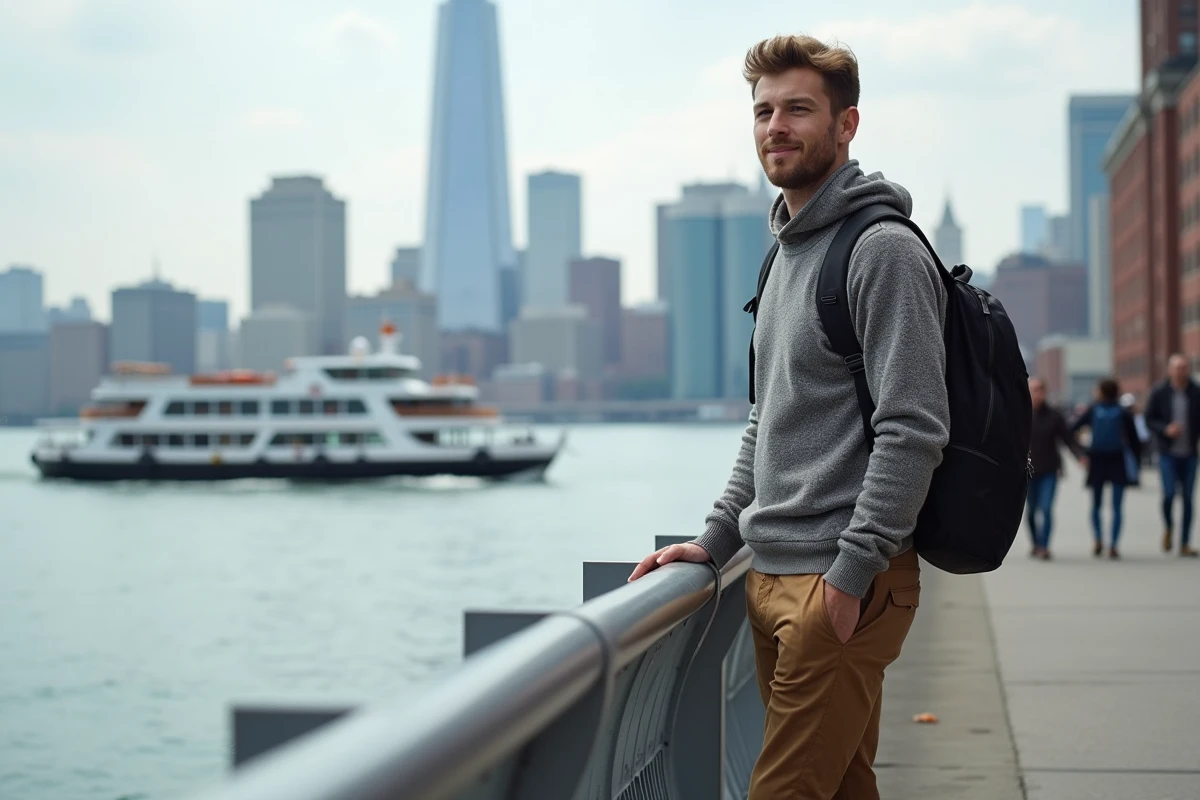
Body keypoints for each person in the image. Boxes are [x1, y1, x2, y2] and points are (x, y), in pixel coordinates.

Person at [628, 35, 949, 799]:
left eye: (798, 109)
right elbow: (764, 424)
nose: (776, 125)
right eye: (764, 110)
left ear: (847, 125)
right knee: (840, 789)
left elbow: (914, 427)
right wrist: (712, 541)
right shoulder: (784, 255)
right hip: (769, 576)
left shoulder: (880, 251)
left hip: (838, 581)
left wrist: (853, 571)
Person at [1071, 378, 1142, 559]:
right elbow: (1135, 441)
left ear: (1101, 392)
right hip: (1117, 459)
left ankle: (1097, 539)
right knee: (1117, 506)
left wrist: (1084, 450)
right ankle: (1114, 545)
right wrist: (1137, 465)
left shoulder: (1094, 409)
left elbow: (1072, 428)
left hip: (1097, 459)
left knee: (1096, 504)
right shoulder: (1123, 412)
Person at [1144, 354, 1200, 557]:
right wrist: (1165, 429)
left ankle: (1184, 542)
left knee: (1188, 498)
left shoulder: (1195, 392)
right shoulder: (1159, 392)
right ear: (1169, 370)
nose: (1180, 371)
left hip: (1190, 453)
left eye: (1184, 367)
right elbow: (1149, 419)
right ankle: (1168, 526)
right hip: (1167, 452)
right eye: (1177, 367)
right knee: (1168, 494)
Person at [1026, 377, 1086, 560]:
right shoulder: (1021, 414)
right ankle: (1035, 542)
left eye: (1040, 390)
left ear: (1045, 393)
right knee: (1030, 511)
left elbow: (1067, 438)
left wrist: (1080, 456)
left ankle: (1044, 546)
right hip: (1027, 472)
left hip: (1049, 470)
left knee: (1046, 508)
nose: (1037, 394)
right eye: (1034, 390)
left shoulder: (1054, 416)